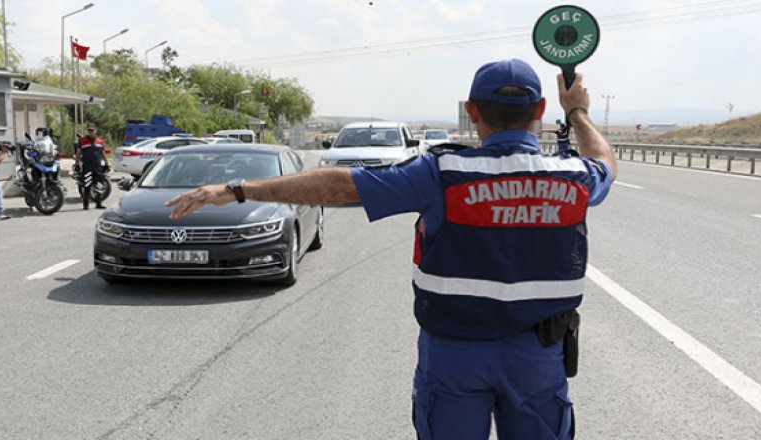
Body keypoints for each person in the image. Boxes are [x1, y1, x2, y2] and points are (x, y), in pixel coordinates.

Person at [164, 59, 617, 440]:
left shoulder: (442, 171)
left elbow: (338, 185)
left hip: (454, 355)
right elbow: (605, 163)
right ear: (539, 110)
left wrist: (239, 189)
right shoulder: (573, 176)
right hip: (537, 356)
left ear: (473, 112)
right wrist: (576, 113)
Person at [75, 123, 109, 210]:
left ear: (95, 131)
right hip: (87, 166)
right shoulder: (82, 141)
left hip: (97, 166)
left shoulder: (100, 141)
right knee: (87, 185)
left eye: (92, 130)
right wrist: (77, 164)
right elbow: (78, 153)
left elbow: (103, 153)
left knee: (99, 185)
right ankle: (86, 205)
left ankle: (99, 204)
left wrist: (107, 164)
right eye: (89, 130)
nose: (90, 132)